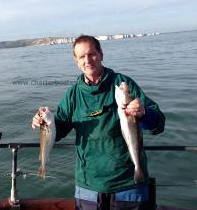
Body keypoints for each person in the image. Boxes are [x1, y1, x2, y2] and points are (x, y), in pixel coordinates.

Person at [32, 35, 165, 210]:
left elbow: (158, 125)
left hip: (129, 183)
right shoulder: (73, 94)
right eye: (81, 57)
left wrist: (144, 113)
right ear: (76, 61)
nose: (87, 60)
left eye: (92, 54)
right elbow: (58, 130)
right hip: (88, 187)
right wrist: (44, 123)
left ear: (101, 54)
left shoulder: (122, 84)